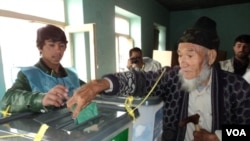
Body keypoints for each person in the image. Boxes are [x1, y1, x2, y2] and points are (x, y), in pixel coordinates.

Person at [67, 16, 250, 141]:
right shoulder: (173, 78)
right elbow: (141, 80)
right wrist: (101, 84)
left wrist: (217, 136)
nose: (182, 63)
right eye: (180, 55)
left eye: (190, 55)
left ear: (210, 57)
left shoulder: (237, 88)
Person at [1, 24, 85, 113]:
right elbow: (6, 101)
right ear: (40, 47)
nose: (58, 50)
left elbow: (88, 90)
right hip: (42, 126)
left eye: (61, 46)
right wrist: (41, 99)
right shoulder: (29, 75)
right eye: (52, 45)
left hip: (71, 124)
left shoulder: (71, 75)